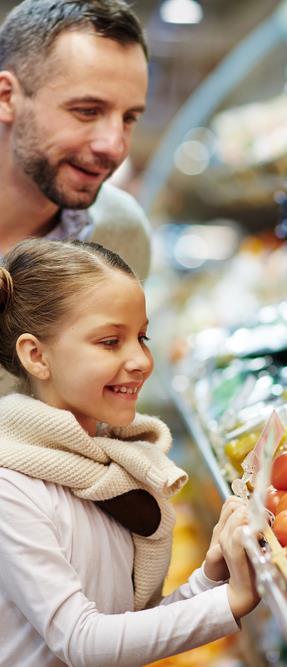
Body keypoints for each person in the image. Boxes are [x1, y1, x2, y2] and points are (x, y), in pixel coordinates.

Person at [0, 238, 259, 667]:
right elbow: (84, 641)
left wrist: (211, 578)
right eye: (109, 341)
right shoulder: (12, 488)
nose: (140, 359)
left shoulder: (108, 466)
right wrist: (228, 604)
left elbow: (130, 627)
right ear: (35, 355)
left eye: (142, 336)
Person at [0, 0, 151, 394]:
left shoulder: (122, 233)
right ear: (6, 97)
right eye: (87, 110)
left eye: (129, 118)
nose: (114, 146)